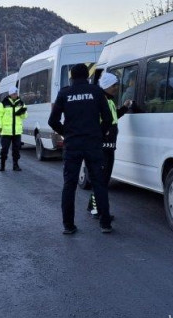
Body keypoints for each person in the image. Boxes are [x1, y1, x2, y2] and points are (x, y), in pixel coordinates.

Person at [48, 63, 114, 234]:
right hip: (93, 144)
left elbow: (52, 121)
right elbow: (107, 118)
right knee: (99, 183)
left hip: (72, 145)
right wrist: (99, 134)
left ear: (71, 77)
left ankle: (68, 226)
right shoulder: (97, 92)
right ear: (87, 76)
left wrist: (66, 133)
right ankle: (105, 223)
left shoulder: (64, 93)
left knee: (69, 185)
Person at [88, 72, 135, 217]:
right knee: (101, 179)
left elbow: (113, 119)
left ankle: (93, 206)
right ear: (107, 86)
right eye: (114, 85)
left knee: (103, 179)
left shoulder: (109, 101)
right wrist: (104, 136)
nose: (116, 88)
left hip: (109, 146)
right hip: (103, 147)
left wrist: (125, 107)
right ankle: (97, 210)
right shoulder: (101, 100)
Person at [0, 86, 27, 172]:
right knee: (4, 149)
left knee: (16, 149)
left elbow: (25, 116)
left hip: (17, 131)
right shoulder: (3, 103)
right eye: (13, 94)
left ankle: (15, 165)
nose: (15, 95)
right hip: (6, 131)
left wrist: (22, 112)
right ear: (10, 94)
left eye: (16, 93)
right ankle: (2, 164)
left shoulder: (21, 103)